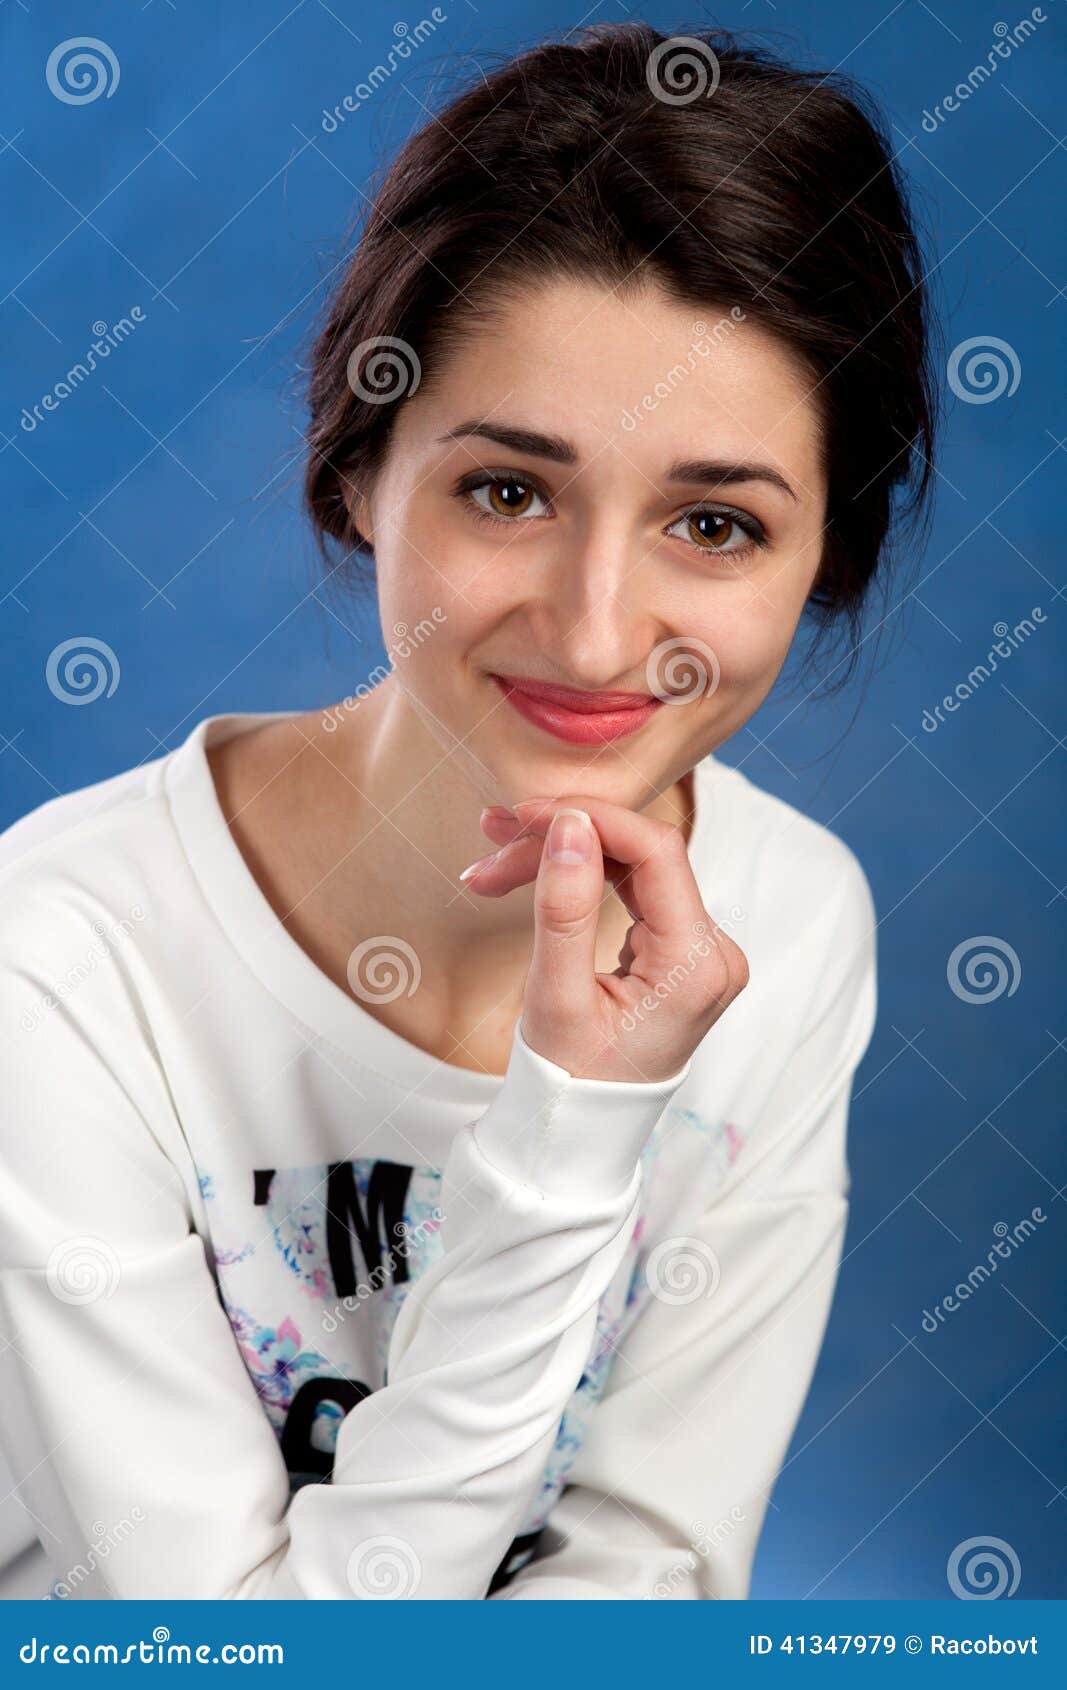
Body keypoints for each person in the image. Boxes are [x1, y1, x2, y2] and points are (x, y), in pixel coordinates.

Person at [0, 22, 935, 1599]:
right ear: (362, 469)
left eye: (715, 523)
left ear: (821, 558)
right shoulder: (60, 959)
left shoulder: (793, 918)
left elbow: (648, 1581)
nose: (590, 632)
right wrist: (569, 1134)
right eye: (508, 490)